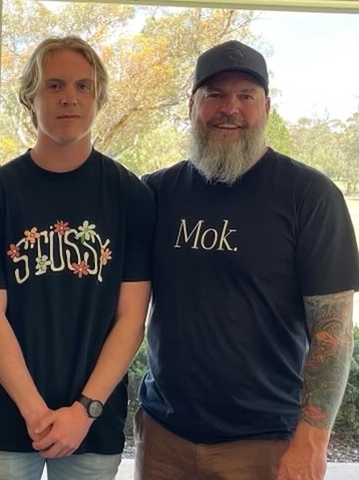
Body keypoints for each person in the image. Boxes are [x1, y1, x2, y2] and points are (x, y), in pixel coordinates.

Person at [136, 40, 359, 480]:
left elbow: (332, 333)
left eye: (245, 96)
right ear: (192, 105)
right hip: (164, 436)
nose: (229, 108)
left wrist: (312, 442)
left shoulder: (309, 197)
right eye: (214, 95)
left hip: (264, 444)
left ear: (267, 107)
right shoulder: (156, 193)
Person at [0, 36, 155, 480]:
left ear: (98, 97)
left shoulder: (131, 197)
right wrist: (35, 413)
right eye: (53, 85)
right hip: (7, 423)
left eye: (82, 86)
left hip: (93, 422)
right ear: (31, 96)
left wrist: (84, 411)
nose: (69, 97)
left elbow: (131, 320)